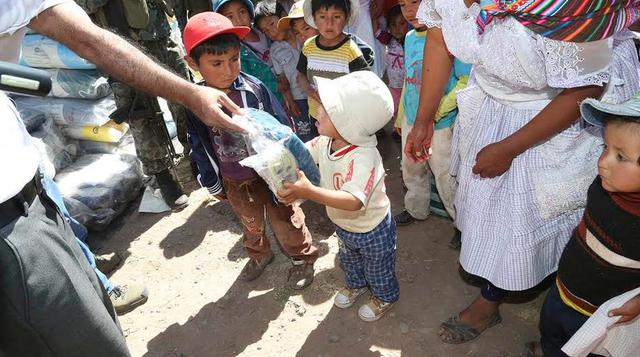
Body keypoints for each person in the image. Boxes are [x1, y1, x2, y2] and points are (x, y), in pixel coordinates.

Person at [0, 1, 241, 355]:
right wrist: (191, 94)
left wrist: (189, 94)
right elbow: (90, 42)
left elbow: (88, 40)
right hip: (11, 226)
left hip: (31, 197)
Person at [409, 0, 639, 345]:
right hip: (495, 101)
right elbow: (440, 40)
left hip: (558, 109)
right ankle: (501, 288)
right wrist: (424, 118)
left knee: (537, 211)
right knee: (497, 212)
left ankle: (541, 292)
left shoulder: (564, 5)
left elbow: (584, 88)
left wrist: (508, 149)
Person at [182, 12, 319, 288]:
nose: (228, 69)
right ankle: (259, 254)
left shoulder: (254, 89)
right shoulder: (194, 103)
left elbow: (281, 127)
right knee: (250, 222)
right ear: (193, 64)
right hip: (235, 179)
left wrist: (294, 164)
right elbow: (196, 144)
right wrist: (211, 181)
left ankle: (301, 257)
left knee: (286, 217)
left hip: (272, 174)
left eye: (234, 59)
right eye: (216, 63)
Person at [278, 71, 399, 322]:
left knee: (378, 268)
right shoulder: (326, 141)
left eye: (326, 109)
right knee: (349, 260)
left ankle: (384, 296)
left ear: (348, 123)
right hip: (343, 224)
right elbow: (302, 153)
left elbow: (353, 201)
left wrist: (308, 191)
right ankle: (356, 284)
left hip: (371, 229)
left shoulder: (364, 157)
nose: (317, 111)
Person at [528, 95, 640, 357]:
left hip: (603, 313)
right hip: (566, 286)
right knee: (551, 328)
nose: (603, 162)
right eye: (605, 147)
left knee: (586, 350)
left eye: (621, 157)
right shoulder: (602, 186)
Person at [75, 0, 195, 209]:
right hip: (117, 48)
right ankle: (162, 175)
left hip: (157, 34)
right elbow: (80, 8)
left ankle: (194, 151)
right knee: (139, 114)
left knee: (184, 96)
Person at [392, 0, 470, 229]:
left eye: (415, 2)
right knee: (411, 167)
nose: (409, 10)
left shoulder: (449, 35)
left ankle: (461, 225)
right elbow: (409, 79)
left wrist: (436, 114)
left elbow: (464, 82)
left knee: (445, 174)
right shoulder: (409, 38)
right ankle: (416, 208)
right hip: (412, 119)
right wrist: (401, 117)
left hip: (441, 123)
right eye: (403, 4)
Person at [297, 0, 370, 125]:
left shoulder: (350, 50)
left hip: (344, 118)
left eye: (336, 17)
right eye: (322, 17)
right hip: (317, 115)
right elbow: (301, 75)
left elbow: (364, 83)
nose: (329, 23)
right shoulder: (309, 46)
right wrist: (311, 92)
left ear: (346, 19)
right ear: (314, 19)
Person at [255, 0, 318, 142]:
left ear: (283, 16)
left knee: (325, 130)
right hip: (299, 99)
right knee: (306, 135)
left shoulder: (304, 35)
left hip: (318, 93)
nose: (271, 32)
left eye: (271, 24)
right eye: (265, 31)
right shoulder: (275, 50)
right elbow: (282, 79)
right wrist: (290, 100)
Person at [213, 0, 283, 102]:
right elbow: (248, 80)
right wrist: (276, 86)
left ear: (250, 13)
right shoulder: (235, 52)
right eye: (230, 17)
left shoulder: (264, 30)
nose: (238, 20)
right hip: (272, 99)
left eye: (242, 12)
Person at [372, 4, 407, 118]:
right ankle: (396, 130)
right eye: (393, 24)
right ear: (388, 27)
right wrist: (374, 16)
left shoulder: (410, 41)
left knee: (407, 108)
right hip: (393, 85)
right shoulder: (388, 39)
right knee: (394, 108)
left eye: (402, 24)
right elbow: (376, 31)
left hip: (408, 85)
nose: (397, 28)